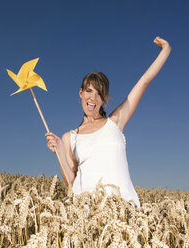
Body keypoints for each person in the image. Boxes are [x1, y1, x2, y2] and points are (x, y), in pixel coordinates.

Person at [46, 36, 171, 209]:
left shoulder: (115, 122)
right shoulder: (70, 137)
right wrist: (59, 150)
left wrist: (166, 50)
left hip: (125, 209)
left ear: (104, 99)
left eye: (99, 93)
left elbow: (143, 81)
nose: (93, 98)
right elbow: (71, 183)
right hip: (87, 213)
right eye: (89, 91)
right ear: (81, 93)